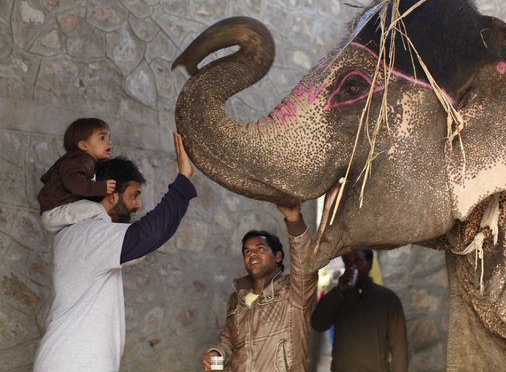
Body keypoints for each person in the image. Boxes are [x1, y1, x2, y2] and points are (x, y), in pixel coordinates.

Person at [33, 132, 197, 372]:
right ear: (111, 195)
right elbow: (147, 235)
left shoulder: (82, 232)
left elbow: (142, 243)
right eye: (134, 196)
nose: (137, 206)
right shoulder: (88, 233)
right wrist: (183, 179)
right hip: (71, 363)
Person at [201, 204, 318, 372]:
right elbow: (228, 342)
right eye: (247, 251)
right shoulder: (237, 299)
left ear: (277, 256)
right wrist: (216, 354)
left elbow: (305, 267)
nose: (252, 254)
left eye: (260, 248)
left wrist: (294, 221)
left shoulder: (292, 291)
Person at [311, 249, 408, 372]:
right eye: (348, 262)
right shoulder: (338, 296)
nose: (352, 267)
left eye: (358, 261)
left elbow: (399, 347)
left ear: (370, 263)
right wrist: (338, 292)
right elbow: (318, 324)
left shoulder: (388, 299)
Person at [37, 117, 116, 234]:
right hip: (56, 212)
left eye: (109, 138)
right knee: (98, 210)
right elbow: (73, 181)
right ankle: (106, 238)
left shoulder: (85, 162)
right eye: (102, 138)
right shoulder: (80, 160)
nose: (109, 142)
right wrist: (99, 188)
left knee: (90, 214)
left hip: (60, 212)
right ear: (84, 146)